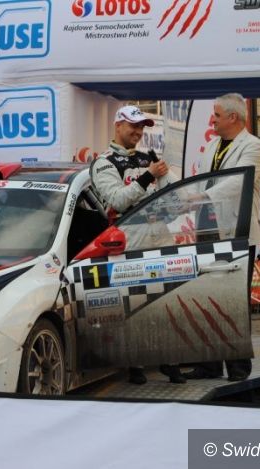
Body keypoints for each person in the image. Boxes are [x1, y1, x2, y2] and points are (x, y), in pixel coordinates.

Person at [90, 105, 182, 385]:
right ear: (118, 125)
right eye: (133, 125)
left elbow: (175, 199)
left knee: (166, 303)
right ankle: (136, 365)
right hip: (129, 238)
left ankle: (171, 361)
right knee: (136, 304)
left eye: (142, 126)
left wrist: (167, 186)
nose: (138, 131)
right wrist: (148, 176)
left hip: (160, 234)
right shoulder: (104, 162)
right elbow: (118, 201)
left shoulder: (149, 158)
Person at [183, 93, 260, 382]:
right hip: (207, 230)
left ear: (233, 117)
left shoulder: (253, 146)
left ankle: (239, 367)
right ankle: (209, 365)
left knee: (233, 301)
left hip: (236, 233)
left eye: (217, 115)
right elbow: (200, 181)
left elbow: (238, 182)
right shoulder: (212, 146)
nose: (212, 120)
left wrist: (202, 197)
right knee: (207, 298)